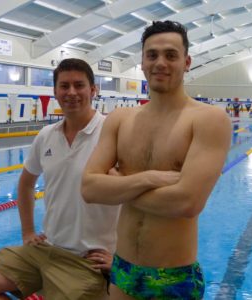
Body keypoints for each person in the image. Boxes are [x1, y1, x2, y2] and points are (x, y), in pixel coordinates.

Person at [82, 21, 231, 300]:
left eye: (170, 55)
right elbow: (89, 189)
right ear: (141, 62)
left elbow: (187, 203)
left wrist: (119, 186)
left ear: (187, 62)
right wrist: (147, 179)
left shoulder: (208, 120)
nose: (160, 62)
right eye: (152, 55)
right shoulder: (120, 119)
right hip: (123, 268)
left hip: (173, 275)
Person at [0, 58, 120, 300]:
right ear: (55, 92)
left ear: (93, 90)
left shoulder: (111, 132)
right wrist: (27, 232)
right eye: (64, 86)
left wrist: (122, 259)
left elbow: (138, 200)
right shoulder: (47, 135)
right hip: (45, 250)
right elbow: (26, 183)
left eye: (79, 85)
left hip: (87, 260)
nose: (72, 92)